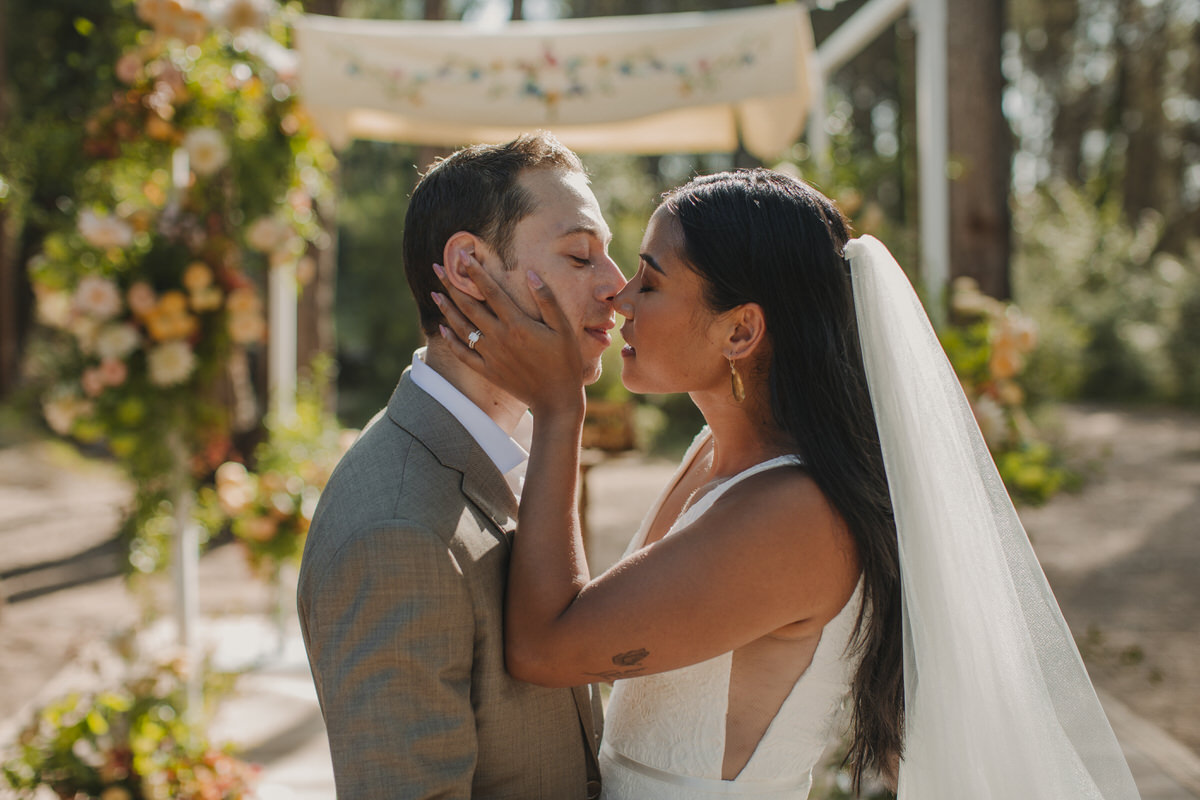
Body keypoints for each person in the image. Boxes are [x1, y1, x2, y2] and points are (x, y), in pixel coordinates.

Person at [432, 168, 1143, 799]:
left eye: (650, 278)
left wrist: (561, 409)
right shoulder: (715, 454)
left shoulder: (794, 518)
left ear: (741, 331)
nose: (619, 296)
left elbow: (546, 648)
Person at [297, 132, 623, 799]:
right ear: (469, 269)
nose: (617, 286)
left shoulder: (521, 449)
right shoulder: (396, 533)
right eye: (580, 255)